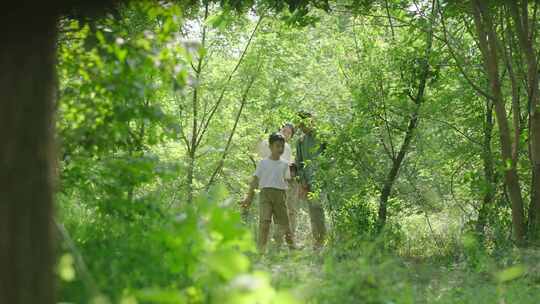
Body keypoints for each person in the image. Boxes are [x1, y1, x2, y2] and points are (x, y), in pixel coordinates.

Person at [242, 133, 296, 253]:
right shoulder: (263, 163)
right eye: (277, 146)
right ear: (270, 147)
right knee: (264, 222)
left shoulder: (284, 164)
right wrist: (248, 198)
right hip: (265, 195)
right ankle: (261, 250)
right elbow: (255, 180)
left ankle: (292, 247)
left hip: (280, 195)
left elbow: (288, 180)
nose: (280, 149)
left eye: (282, 146)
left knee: (284, 223)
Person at [256, 123, 300, 244]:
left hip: (282, 185)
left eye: (289, 133)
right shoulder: (267, 144)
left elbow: (285, 169)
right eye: (284, 131)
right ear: (279, 130)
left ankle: (282, 242)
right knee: (266, 217)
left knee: (285, 214)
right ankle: (266, 244)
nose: (285, 134)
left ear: (291, 136)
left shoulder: (287, 148)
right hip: (268, 185)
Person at [296, 111, 327, 250]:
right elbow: (299, 162)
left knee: (319, 209)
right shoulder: (300, 141)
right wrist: (302, 181)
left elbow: (330, 156)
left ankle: (323, 240)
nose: (302, 127)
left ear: (311, 121)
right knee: (313, 212)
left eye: (305, 123)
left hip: (322, 180)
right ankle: (317, 241)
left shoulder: (322, 136)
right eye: (300, 124)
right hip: (307, 181)